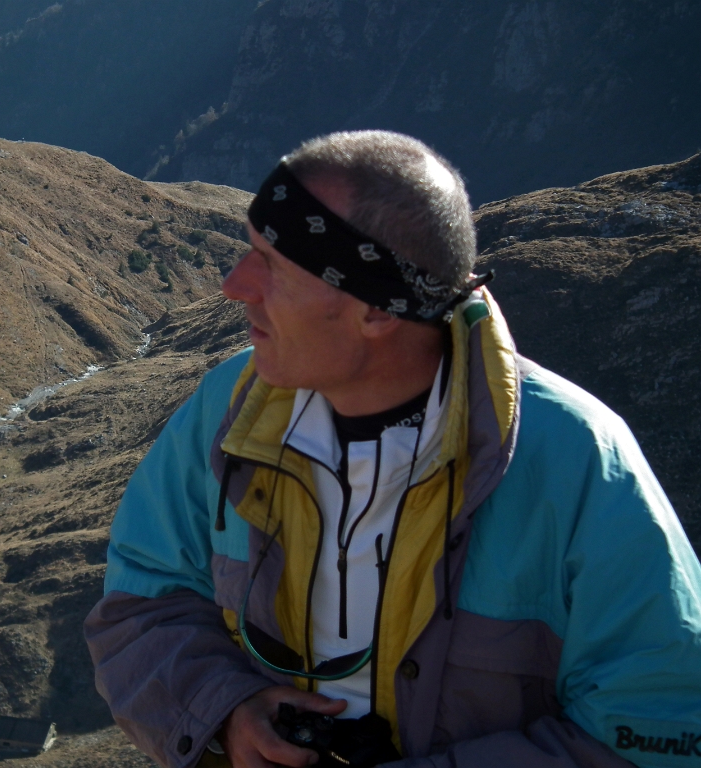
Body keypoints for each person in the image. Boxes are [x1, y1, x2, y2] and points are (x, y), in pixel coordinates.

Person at [84, 131, 701, 768]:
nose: (234, 285)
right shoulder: (228, 408)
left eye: (273, 263)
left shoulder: (577, 462)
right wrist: (228, 712)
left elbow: (660, 726)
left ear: (376, 309)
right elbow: (140, 603)